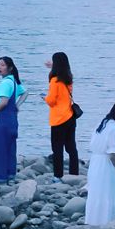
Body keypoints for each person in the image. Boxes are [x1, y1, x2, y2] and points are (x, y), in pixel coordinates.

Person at [0, 56, 26, 183]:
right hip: (12, 120)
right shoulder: (14, 82)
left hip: (2, 121)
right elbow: (25, 93)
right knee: (10, 148)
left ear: (10, 68)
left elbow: (3, 102)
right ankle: (10, 174)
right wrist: (17, 105)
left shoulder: (5, 83)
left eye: (3, 65)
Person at [43, 51, 79, 179]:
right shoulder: (69, 78)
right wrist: (52, 65)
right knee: (71, 147)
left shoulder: (54, 81)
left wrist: (44, 98)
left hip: (58, 119)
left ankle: (58, 175)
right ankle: (74, 174)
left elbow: (51, 101)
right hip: (70, 116)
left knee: (57, 149)